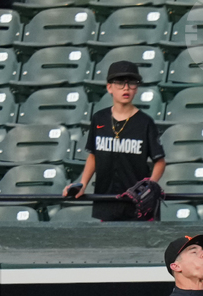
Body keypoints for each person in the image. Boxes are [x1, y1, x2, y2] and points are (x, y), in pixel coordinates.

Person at [63, 61, 165, 221]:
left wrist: (150, 186)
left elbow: (160, 161)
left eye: (131, 83)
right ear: (109, 87)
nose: (126, 88)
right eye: (120, 83)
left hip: (137, 204)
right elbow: (94, 156)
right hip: (106, 201)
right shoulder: (99, 118)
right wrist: (82, 184)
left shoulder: (145, 122)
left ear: (136, 88)